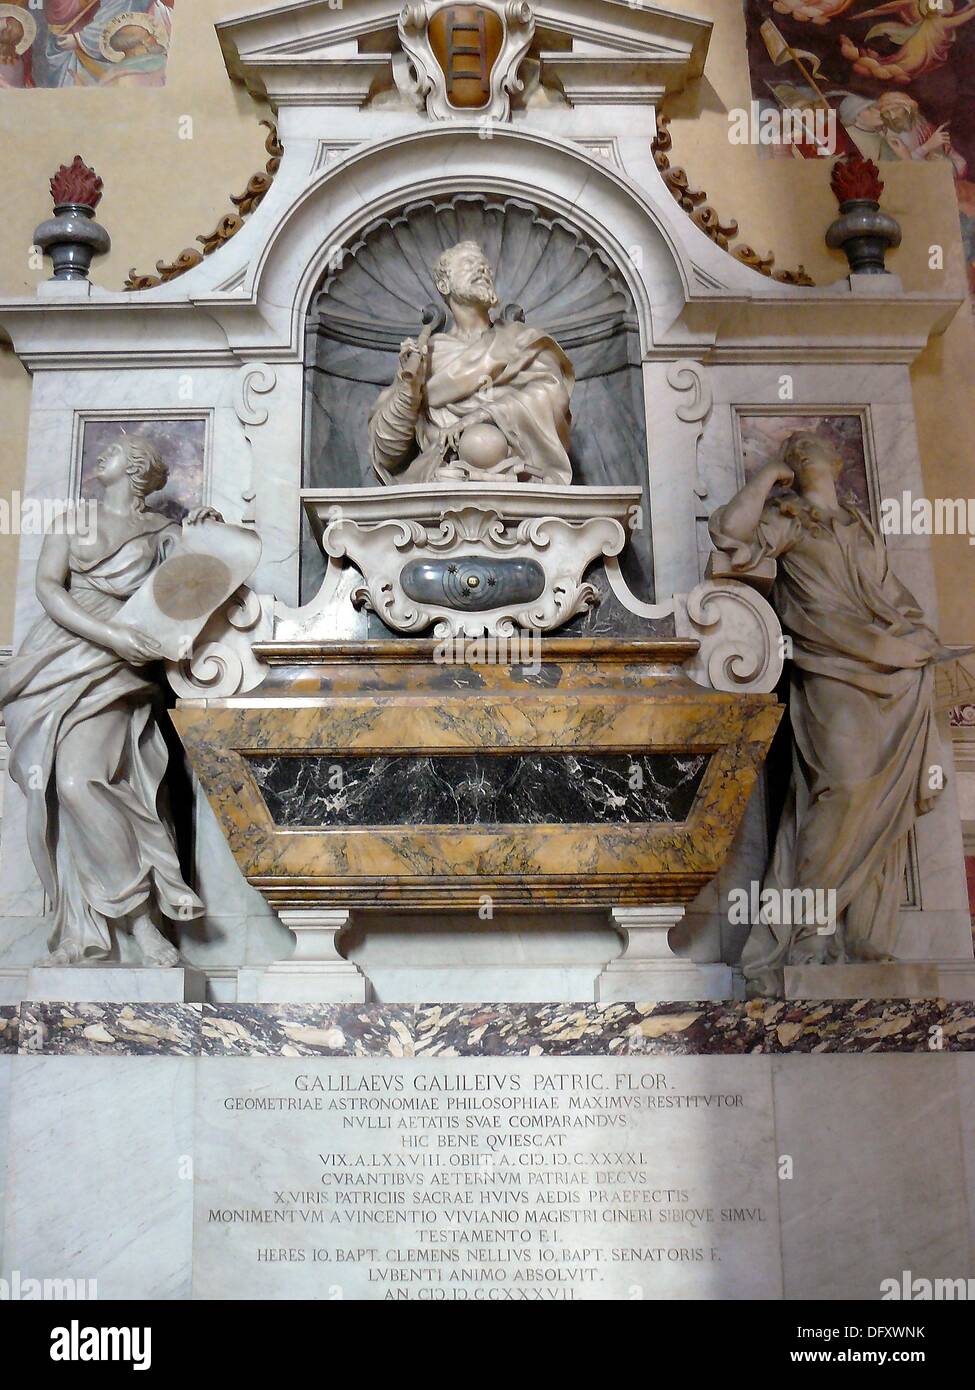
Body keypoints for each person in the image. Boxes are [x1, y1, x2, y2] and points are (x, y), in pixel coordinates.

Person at [709, 430, 957, 997]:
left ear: (839, 459)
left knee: (883, 804)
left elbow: (890, 595)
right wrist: (768, 475)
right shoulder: (789, 517)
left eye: (815, 446)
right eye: (796, 448)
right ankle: (807, 931)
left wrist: (920, 637)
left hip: (895, 672)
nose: (806, 450)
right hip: (829, 666)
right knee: (844, 788)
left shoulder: (858, 526)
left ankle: (859, 933)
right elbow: (728, 533)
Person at [0, 434, 219, 966]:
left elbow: (189, 593)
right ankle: (102, 928)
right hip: (56, 659)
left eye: (118, 451)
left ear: (138, 468)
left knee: (80, 783)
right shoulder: (73, 520)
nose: (104, 453)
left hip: (115, 670)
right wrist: (108, 633)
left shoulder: (163, 534)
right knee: (67, 788)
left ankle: (141, 919)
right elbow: (49, 589)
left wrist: (203, 541)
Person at [368, 240, 574, 484]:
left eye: (485, 266)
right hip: (440, 470)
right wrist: (409, 391)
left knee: (482, 441)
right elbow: (387, 453)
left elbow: (552, 397)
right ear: (444, 284)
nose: (482, 270)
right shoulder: (426, 355)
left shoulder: (522, 341)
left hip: (516, 466)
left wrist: (483, 415)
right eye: (469, 264)